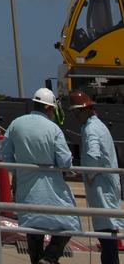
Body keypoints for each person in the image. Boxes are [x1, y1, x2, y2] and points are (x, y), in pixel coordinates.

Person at [0, 86, 80, 263]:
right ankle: (50, 258)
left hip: (25, 187)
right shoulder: (53, 129)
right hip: (51, 188)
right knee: (69, 223)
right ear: (49, 108)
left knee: (33, 228)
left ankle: (38, 260)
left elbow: (4, 155)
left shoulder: (16, 124)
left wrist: (18, 171)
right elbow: (65, 161)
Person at [69, 91, 123, 263]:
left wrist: (88, 173)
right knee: (109, 235)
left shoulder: (91, 129)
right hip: (107, 186)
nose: (76, 116)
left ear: (86, 110)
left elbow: (93, 155)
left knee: (106, 235)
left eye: (77, 112)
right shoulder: (98, 126)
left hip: (101, 187)